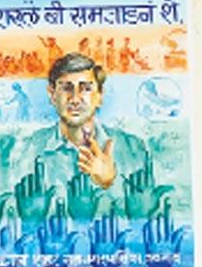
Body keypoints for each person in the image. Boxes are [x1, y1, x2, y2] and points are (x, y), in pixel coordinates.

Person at [8, 52, 150, 197]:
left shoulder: (133, 149)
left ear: (99, 96)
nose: (75, 99)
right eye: (66, 88)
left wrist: (109, 182)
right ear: (52, 94)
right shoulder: (27, 150)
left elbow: (148, 210)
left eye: (86, 88)